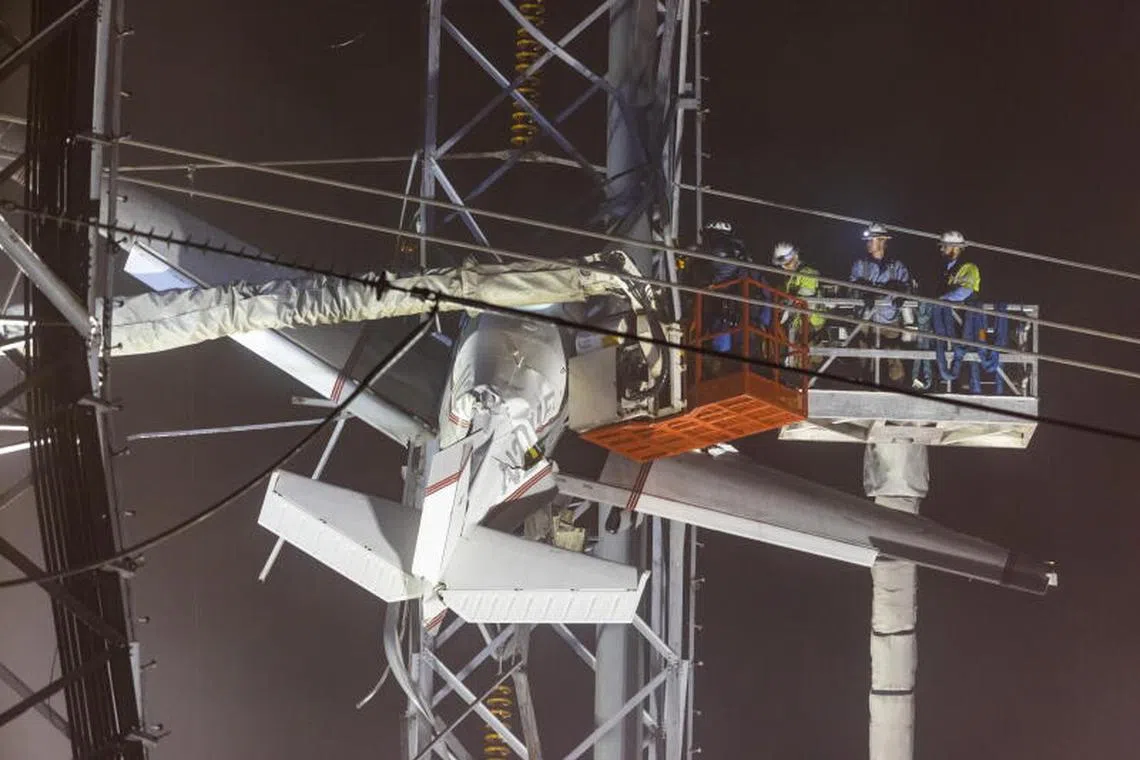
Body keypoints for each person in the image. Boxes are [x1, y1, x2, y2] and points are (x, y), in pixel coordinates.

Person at [849, 223, 915, 383]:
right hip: (866, 319)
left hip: (889, 319)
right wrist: (863, 292)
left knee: (893, 355)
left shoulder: (897, 266)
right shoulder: (860, 265)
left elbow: (906, 286)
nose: (868, 243)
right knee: (865, 356)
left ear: (882, 241)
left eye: (871, 240)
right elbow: (851, 287)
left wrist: (901, 292)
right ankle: (864, 386)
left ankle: (897, 387)